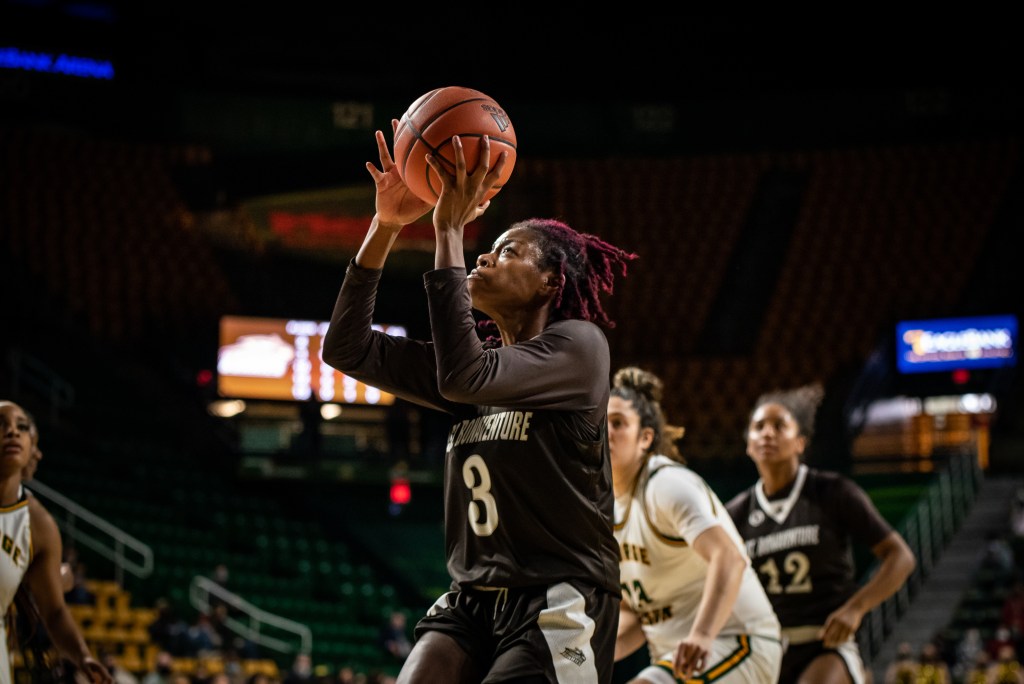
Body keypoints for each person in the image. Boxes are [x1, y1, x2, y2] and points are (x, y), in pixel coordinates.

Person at [321, 127, 637, 683]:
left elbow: (467, 377)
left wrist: (447, 227)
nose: (484, 258)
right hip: (470, 600)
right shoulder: (477, 367)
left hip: (561, 597)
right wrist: (387, 226)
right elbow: (346, 347)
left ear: (548, 281)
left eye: (506, 251)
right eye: (485, 248)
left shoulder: (580, 348)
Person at [725, 383, 917, 684]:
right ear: (749, 444)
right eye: (758, 427)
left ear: (800, 442)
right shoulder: (735, 513)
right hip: (764, 647)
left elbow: (901, 557)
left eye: (779, 426)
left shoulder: (833, 492)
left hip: (825, 644)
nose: (767, 433)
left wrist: (856, 608)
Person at [607, 367, 782, 683]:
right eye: (600, 422)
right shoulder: (608, 509)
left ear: (646, 438)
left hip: (737, 642)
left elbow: (729, 557)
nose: (606, 432)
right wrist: (585, 652)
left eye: (617, 423)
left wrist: (701, 634)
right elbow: (637, 613)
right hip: (680, 659)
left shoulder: (666, 484)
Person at [0, 400, 113, 684]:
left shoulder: (37, 525)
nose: (12, 432)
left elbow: (54, 611)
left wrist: (82, 655)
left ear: (32, 448)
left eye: (21, 427)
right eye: (1, 425)